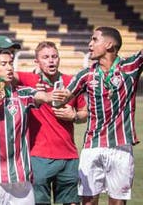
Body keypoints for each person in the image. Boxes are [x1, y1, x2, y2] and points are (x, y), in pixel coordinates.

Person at [53, 27, 143, 205]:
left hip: (121, 147)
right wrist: (61, 103)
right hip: (92, 146)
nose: (89, 44)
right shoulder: (85, 75)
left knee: (118, 202)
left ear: (109, 44)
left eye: (94, 40)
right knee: (88, 201)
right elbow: (61, 99)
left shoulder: (130, 67)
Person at [0, 48, 53, 205]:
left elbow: (46, 97)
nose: (9, 67)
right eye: (3, 64)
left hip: (21, 175)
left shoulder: (23, 93)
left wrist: (56, 96)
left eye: (10, 63)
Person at [16, 41, 88, 205]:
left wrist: (74, 116)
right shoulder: (28, 80)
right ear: (37, 62)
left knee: (72, 202)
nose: (51, 61)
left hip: (69, 156)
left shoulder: (71, 82)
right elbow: (3, 75)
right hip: (39, 157)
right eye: (46, 57)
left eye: (54, 57)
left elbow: (85, 113)